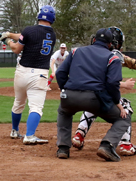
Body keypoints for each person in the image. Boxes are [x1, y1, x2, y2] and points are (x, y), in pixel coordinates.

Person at [55, 28, 130, 162]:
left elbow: (60, 73)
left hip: (70, 95)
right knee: (124, 118)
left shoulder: (75, 51)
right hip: (95, 98)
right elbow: (113, 83)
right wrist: (117, 103)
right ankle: (107, 145)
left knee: (64, 111)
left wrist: (65, 90)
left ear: (94, 40)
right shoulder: (112, 57)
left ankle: (63, 148)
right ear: (110, 44)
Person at [71, 27, 136, 156]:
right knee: (125, 106)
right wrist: (124, 84)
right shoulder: (113, 56)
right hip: (101, 93)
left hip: (82, 93)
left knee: (92, 105)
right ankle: (125, 143)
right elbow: (108, 81)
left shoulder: (91, 52)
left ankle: (79, 135)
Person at [0, 5, 57, 145]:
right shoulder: (53, 35)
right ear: (52, 18)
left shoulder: (29, 30)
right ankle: (29, 135)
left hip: (21, 73)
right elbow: (26, 37)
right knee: (36, 107)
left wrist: (7, 40)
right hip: (39, 75)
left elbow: (17, 49)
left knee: (18, 103)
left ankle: (14, 130)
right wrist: (9, 34)